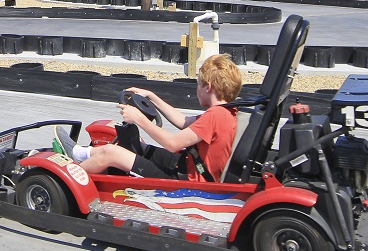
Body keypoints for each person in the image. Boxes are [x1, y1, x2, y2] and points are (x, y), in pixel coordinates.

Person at [53, 54, 244, 182]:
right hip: (189, 166)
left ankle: (66, 178)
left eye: (199, 85)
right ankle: (79, 153)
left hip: (190, 182)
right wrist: (152, 96)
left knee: (112, 152)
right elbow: (183, 123)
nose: (197, 90)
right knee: (136, 146)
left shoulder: (215, 116)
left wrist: (139, 119)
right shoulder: (226, 112)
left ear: (208, 87)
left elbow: (172, 143)